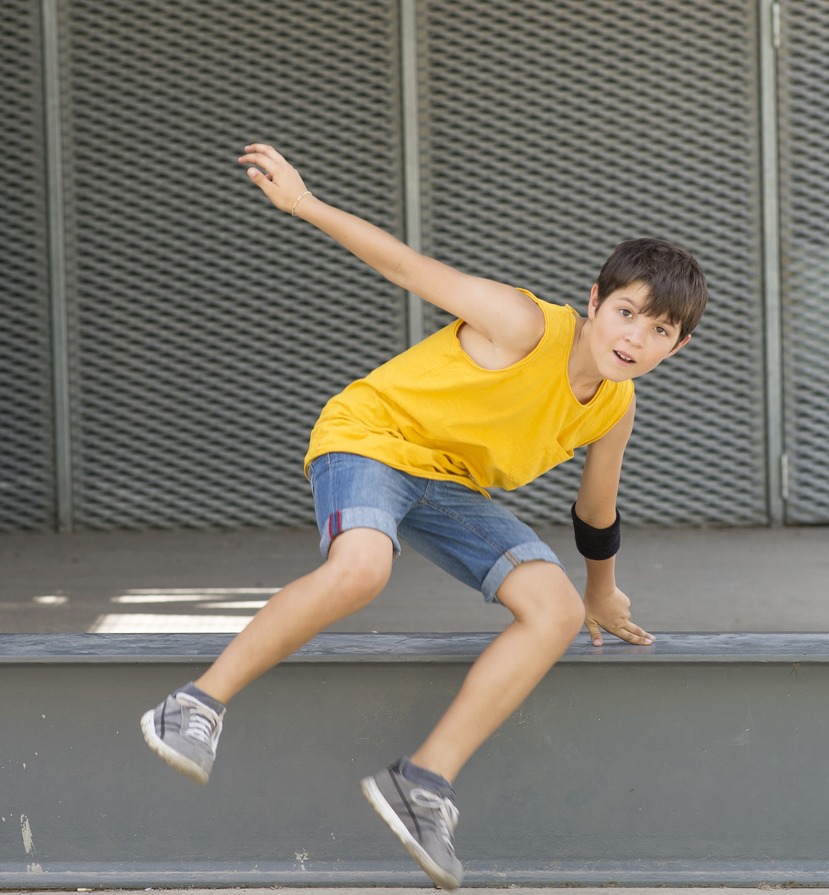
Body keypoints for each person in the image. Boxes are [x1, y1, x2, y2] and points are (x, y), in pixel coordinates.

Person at [140, 143, 708, 890]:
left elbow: (594, 509)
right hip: (371, 440)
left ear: (678, 345)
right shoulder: (525, 323)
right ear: (596, 299)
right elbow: (410, 269)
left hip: (447, 485)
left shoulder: (614, 408)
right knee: (363, 567)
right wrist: (305, 204)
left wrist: (600, 589)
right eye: (627, 313)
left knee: (553, 609)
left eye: (659, 331)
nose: (634, 338)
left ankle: (424, 783)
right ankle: (194, 704)